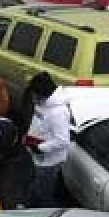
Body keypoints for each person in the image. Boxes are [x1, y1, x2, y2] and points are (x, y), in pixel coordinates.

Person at [23, 72, 70, 207]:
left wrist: (40, 147)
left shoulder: (58, 113)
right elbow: (38, 123)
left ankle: (46, 216)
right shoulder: (43, 104)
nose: (31, 99)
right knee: (36, 186)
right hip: (37, 156)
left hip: (49, 162)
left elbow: (62, 140)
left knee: (44, 194)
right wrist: (29, 137)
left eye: (33, 95)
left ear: (41, 94)